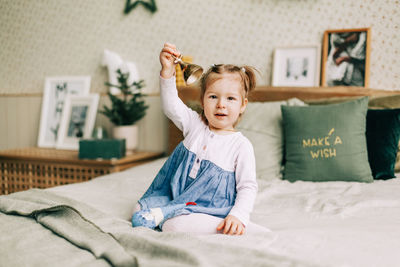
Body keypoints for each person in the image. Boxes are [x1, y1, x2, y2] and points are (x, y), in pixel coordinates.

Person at [131, 43, 266, 235]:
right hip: (177, 196)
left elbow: (247, 186)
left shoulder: (240, 145)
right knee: (138, 209)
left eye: (230, 99)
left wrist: (238, 215)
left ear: (243, 105)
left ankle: (237, 230)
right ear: (202, 101)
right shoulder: (195, 125)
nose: (221, 105)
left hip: (209, 207)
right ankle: (169, 212)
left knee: (173, 226)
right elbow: (171, 106)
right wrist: (167, 72)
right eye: (213, 97)